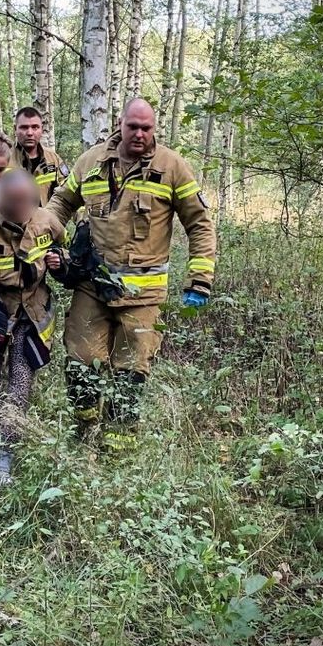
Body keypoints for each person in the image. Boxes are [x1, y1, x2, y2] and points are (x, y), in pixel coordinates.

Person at [46, 97, 216, 451]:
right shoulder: (92, 161)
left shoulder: (172, 167)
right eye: (133, 126)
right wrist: (40, 238)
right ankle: (83, 438)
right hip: (92, 287)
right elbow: (61, 203)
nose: (139, 134)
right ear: (120, 124)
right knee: (80, 369)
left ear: (155, 128)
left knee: (129, 377)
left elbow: (199, 224)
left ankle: (117, 453)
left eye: (146, 128)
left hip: (143, 297)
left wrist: (199, 280)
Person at [0, 169, 66, 484]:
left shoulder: (47, 222)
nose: (20, 211)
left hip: (32, 313)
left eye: (25, 203)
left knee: (20, 381)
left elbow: (66, 248)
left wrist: (61, 260)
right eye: (13, 204)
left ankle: (7, 453)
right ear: (0, 201)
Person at [10, 106, 69, 206]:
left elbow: (68, 192)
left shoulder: (53, 159)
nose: (29, 133)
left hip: (47, 220)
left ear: (42, 129)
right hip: (14, 220)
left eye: (35, 127)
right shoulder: (4, 160)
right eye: (24, 127)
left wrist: (81, 219)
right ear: (15, 129)